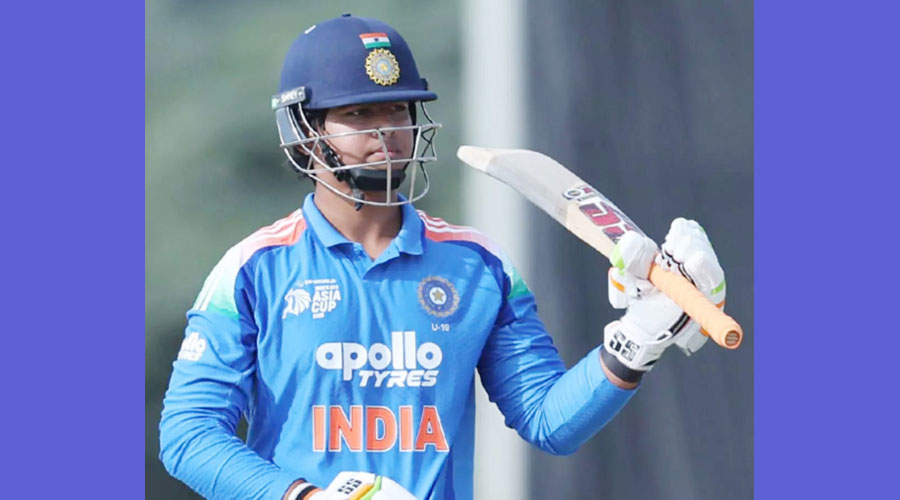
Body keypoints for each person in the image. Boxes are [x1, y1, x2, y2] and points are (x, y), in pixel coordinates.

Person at [159, 13, 727, 500]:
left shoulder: (477, 265)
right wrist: (303, 496)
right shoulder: (254, 268)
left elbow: (549, 420)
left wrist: (636, 340)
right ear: (305, 129)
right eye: (357, 115)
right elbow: (188, 435)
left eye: (397, 109)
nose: (386, 131)